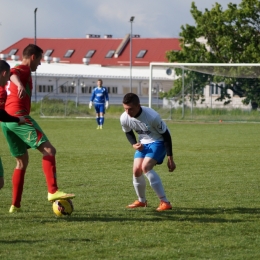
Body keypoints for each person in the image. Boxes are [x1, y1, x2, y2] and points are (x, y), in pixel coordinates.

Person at [1, 44, 75, 213]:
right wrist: (19, 85)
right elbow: (13, 73)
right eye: (39, 60)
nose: (40, 64)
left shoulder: (19, 73)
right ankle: (53, 191)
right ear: (33, 57)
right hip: (19, 117)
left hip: (5, 120)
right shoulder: (23, 69)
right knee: (49, 150)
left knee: (21, 162)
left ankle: (15, 205)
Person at [120, 93, 176, 211]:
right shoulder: (124, 117)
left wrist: (170, 159)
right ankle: (141, 201)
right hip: (143, 142)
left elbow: (166, 136)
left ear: (138, 106)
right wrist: (134, 143)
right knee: (136, 170)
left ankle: (165, 202)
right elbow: (128, 131)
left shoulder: (152, 116)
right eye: (125, 109)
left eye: (130, 109)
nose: (127, 112)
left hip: (159, 141)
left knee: (146, 167)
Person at [0, 60, 26, 190]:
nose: (9, 79)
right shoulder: (1, 91)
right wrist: (17, 120)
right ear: (4, 73)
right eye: (8, 75)